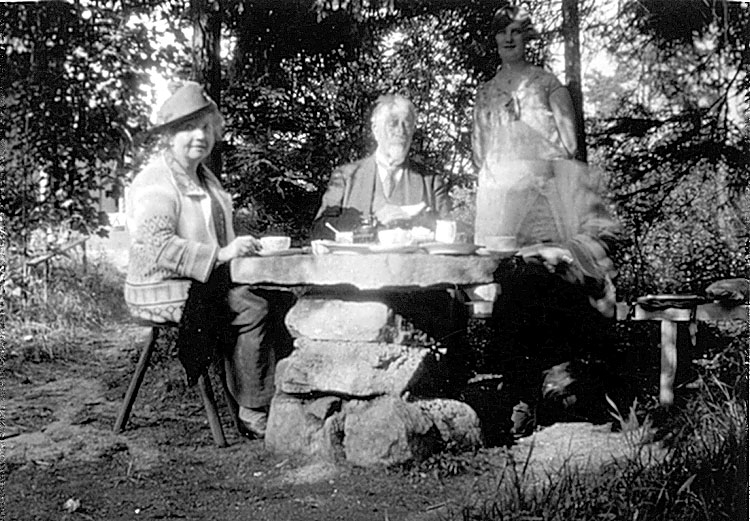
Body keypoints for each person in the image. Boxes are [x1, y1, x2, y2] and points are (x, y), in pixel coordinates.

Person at [471, 5, 622, 440]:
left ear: (527, 38)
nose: (509, 39)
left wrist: (536, 163)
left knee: (554, 280)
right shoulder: (486, 92)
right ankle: (520, 393)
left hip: (548, 203)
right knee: (510, 283)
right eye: (502, 32)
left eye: (517, 31)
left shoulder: (547, 83)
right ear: (494, 40)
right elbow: (481, 154)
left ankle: (566, 389)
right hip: (503, 208)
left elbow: (570, 144)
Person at [124, 81, 292, 439]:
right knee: (252, 306)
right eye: (188, 128)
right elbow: (157, 246)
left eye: (206, 127)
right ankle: (252, 408)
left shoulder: (205, 179)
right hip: (159, 284)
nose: (200, 136)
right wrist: (222, 254)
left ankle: (283, 398)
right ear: (170, 136)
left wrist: (242, 250)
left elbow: (217, 240)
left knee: (280, 299)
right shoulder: (156, 181)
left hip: (200, 278)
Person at [311, 94, 451, 239]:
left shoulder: (430, 182)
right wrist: (372, 221)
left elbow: (451, 233)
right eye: (393, 123)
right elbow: (319, 230)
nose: (401, 131)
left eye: (407, 124)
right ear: (375, 130)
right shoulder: (346, 177)